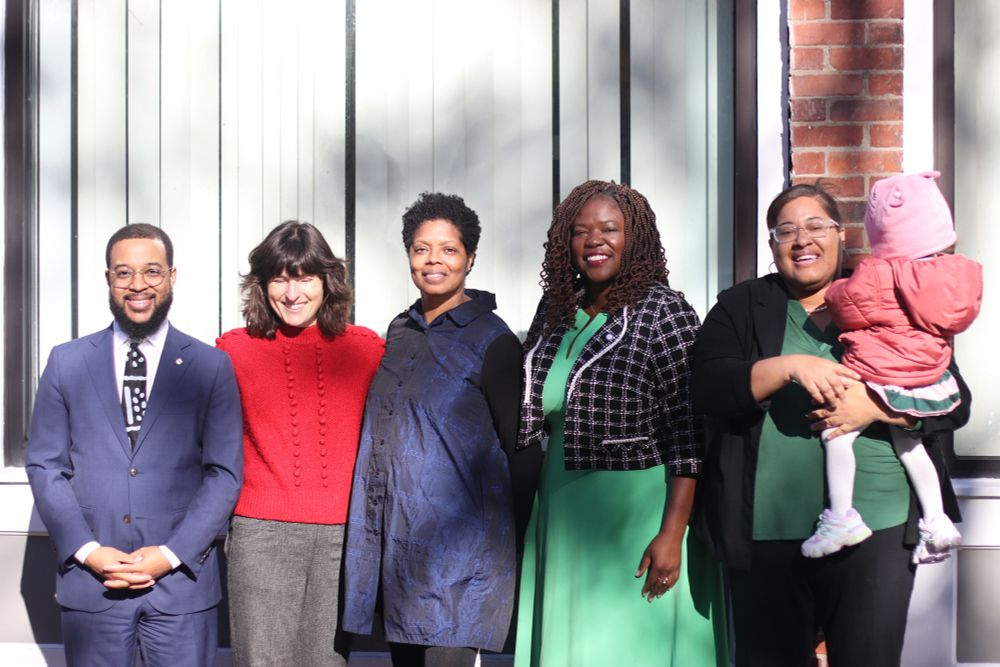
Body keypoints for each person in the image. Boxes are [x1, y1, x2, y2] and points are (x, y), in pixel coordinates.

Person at [691, 182, 971, 667]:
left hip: (878, 526)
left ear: (842, 236)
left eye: (817, 225)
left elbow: (955, 401)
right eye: (786, 231)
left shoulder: (890, 293)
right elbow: (708, 387)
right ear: (772, 245)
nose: (803, 240)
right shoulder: (741, 306)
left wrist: (876, 407)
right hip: (769, 528)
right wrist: (788, 367)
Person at [514, 180, 727, 667]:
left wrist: (673, 533)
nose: (594, 241)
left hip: (639, 515)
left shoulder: (665, 312)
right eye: (581, 231)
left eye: (610, 229)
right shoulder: (555, 311)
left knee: (631, 648)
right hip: (564, 510)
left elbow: (688, 431)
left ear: (635, 238)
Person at [25, 223, 243, 666]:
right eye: (124, 273)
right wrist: (89, 551)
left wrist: (169, 555)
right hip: (92, 585)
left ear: (172, 276)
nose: (138, 285)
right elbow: (45, 466)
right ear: (108, 278)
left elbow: (224, 473)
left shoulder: (210, 366)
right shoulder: (67, 362)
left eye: (151, 272)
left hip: (181, 587)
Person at [342, 192, 520, 667]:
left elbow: (521, 450)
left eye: (448, 249)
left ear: (470, 257)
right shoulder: (400, 331)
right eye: (422, 249)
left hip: (462, 565)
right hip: (400, 557)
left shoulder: (494, 340)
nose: (433, 260)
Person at [216, 221, 384, 666]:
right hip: (259, 534)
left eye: (305, 277)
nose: (292, 293)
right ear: (261, 284)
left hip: (342, 537)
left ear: (328, 282)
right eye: (280, 278)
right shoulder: (231, 351)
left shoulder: (366, 350)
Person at [801, 172, 981, 563]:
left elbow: (847, 306)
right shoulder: (954, 274)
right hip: (927, 374)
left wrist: (834, 292)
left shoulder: (881, 273)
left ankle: (841, 517)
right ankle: (936, 520)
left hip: (883, 371)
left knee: (837, 435)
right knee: (911, 445)